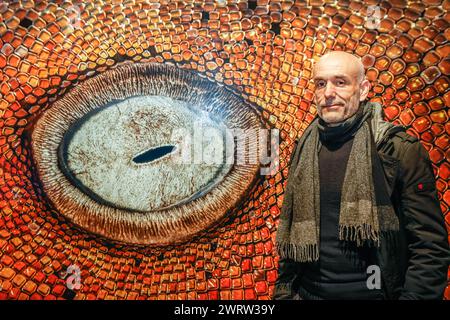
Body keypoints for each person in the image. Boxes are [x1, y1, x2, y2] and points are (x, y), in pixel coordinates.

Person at [273, 51, 449, 300]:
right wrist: (284, 293)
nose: (328, 92)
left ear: (364, 89)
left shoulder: (396, 149)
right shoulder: (305, 148)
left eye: (340, 82)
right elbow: (291, 239)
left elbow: (429, 246)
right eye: (321, 83)